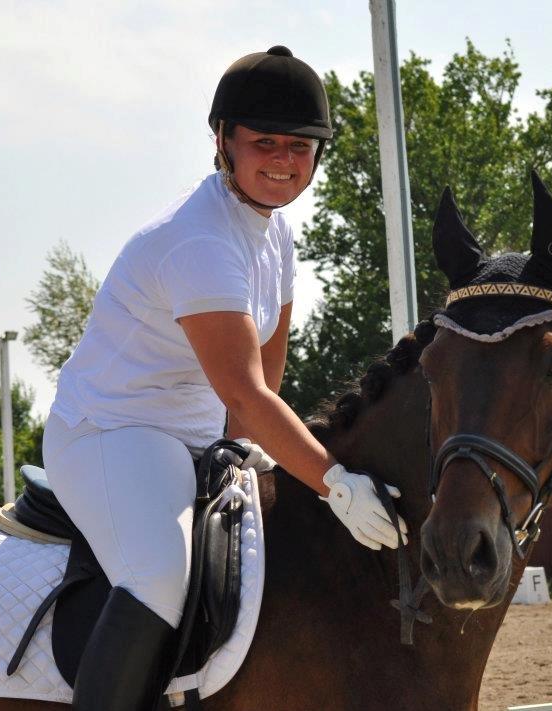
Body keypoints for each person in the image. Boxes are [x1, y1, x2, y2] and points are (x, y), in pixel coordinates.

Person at [43, 45, 406, 711]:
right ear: (223, 141)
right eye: (264, 141)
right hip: (110, 433)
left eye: (301, 146)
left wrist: (256, 456)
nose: (283, 160)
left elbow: (265, 376)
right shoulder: (201, 241)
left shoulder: (276, 237)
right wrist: (335, 483)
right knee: (159, 572)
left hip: (198, 440)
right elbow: (246, 390)